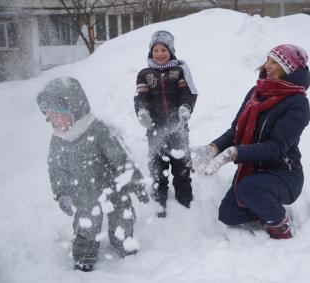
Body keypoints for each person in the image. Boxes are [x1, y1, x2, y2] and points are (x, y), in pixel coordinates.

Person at [192, 44, 310, 239]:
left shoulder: (297, 103)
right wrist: (212, 149)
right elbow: (235, 130)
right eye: (268, 60)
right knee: (228, 215)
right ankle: (263, 204)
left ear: (289, 68)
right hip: (254, 171)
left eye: (276, 63)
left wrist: (236, 153)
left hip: (283, 174)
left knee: (248, 188)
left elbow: (275, 148)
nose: (268, 66)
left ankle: (279, 222)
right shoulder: (256, 92)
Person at [37, 77, 149, 272]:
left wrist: (135, 182)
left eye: (57, 115)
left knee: (122, 213)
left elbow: (122, 158)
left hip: (113, 184)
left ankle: (124, 243)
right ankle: (84, 255)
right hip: (84, 190)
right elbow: (56, 168)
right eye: (49, 117)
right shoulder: (58, 139)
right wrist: (61, 192)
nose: (53, 121)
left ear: (74, 110)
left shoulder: (98, 129)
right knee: (86, 222)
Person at [134, 30, 198, 217]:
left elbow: (188, 92)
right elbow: (141, 97)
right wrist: (142, 111)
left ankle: (185, 197)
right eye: (156, 50)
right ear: (151, 52)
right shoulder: (144, 74)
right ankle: (158, 199)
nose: (160, 53)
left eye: (164, 49)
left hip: (178, 127)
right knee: (157, 166)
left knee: (181, 165)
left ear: (171, 51)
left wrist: (185, 107)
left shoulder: (179, 71)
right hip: (155, 129)